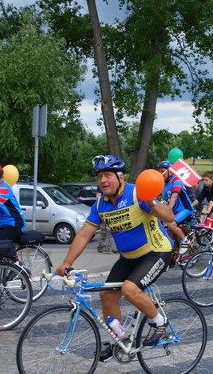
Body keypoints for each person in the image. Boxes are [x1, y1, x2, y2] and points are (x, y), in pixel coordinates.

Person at [56, 155, 175, 361]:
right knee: (107, 295)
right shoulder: (101, 205)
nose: (103, 180)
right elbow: (84, 234)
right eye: (100, 176)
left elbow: (170, 216)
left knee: (129, 289)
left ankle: (158, 322)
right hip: (129, 257)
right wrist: (67, 263)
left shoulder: (137, 194)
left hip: (156, 252)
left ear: (120, 177)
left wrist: (152, 204)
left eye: (108, 175)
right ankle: (119, 340)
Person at [156, 160, 194, 249]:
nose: (161, 173)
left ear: (170, 171)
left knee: (171, 225)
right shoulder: (164, 183)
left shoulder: (176, 180)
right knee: (166, 231)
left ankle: (186, 242)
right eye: (159, 171)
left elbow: (174, 197)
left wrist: (167, 210)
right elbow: (159, 197)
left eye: (163, 171)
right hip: (174, 211)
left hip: (186, 209)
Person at [95, 187, 116, 254]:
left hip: (109, 212)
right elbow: (98, 197)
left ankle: (103, 247)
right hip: (104, 212)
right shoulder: (102, 187)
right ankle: (105, 248)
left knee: (108, 231)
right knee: (106, 231)